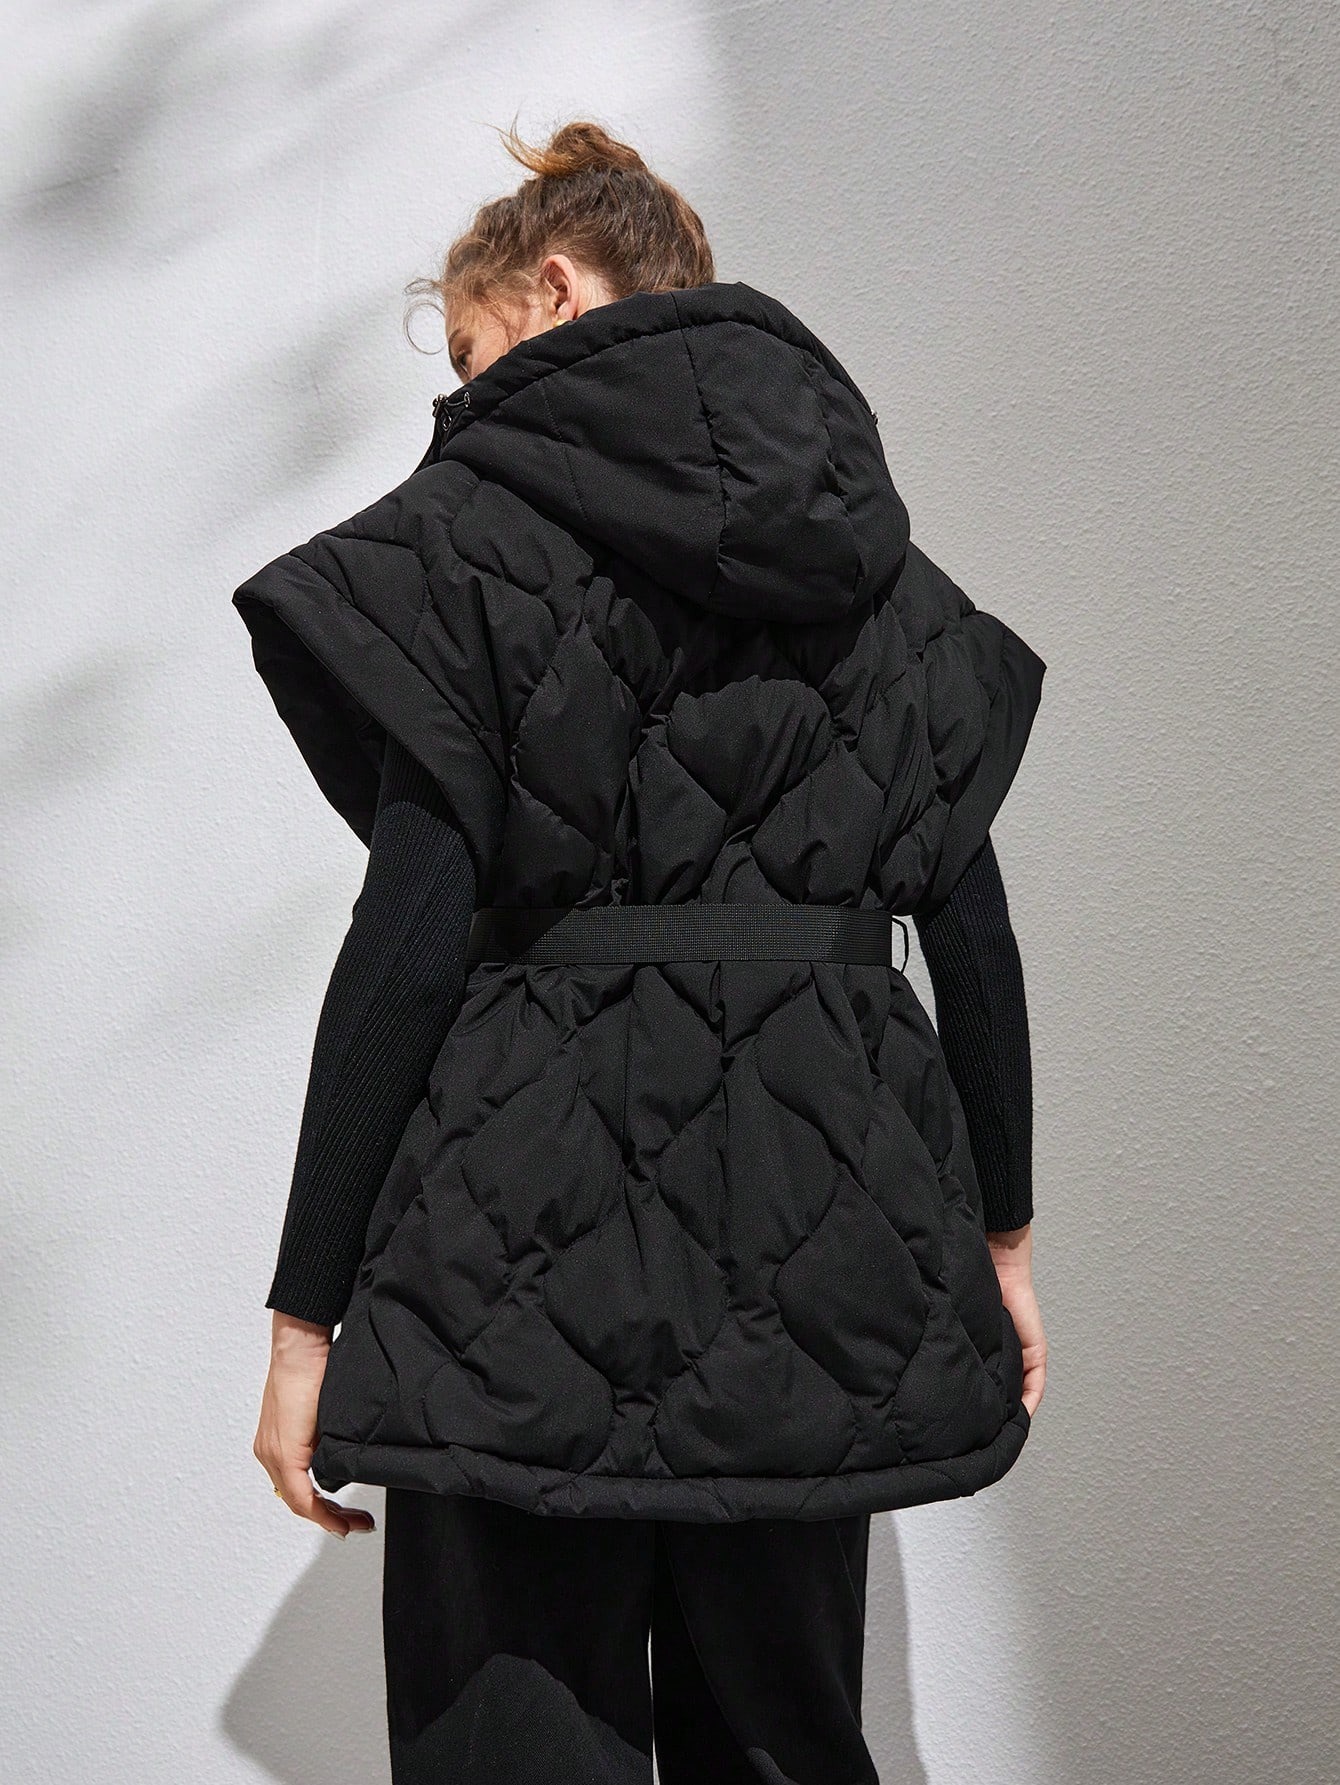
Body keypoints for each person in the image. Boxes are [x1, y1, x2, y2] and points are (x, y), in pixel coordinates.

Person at [238, 119, 1048, 1785]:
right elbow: (968, 924)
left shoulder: (470, 546)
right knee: (787, 1744)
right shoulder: (871, 560)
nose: (459, 410)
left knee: (515, 1751)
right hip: (819, 1258)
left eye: (469, 358)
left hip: (506, 1265)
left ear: (555, 289)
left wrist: (305, 1317)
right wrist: (1006, 1239)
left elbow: (406, 944)